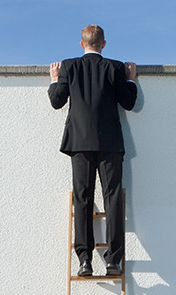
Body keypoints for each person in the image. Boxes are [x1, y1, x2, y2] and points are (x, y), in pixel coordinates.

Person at [48, 24, 138, 277]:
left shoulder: (69, 66)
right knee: (112, 199)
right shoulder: (115, 67)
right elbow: (129, 102)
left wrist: (55, 80)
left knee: (83, 199)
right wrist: (130, 79)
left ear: (81, 44)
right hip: (109, 144)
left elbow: (57, 101)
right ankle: (114, 260)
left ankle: (84, 259)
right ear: (104, 44)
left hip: (79, 144)